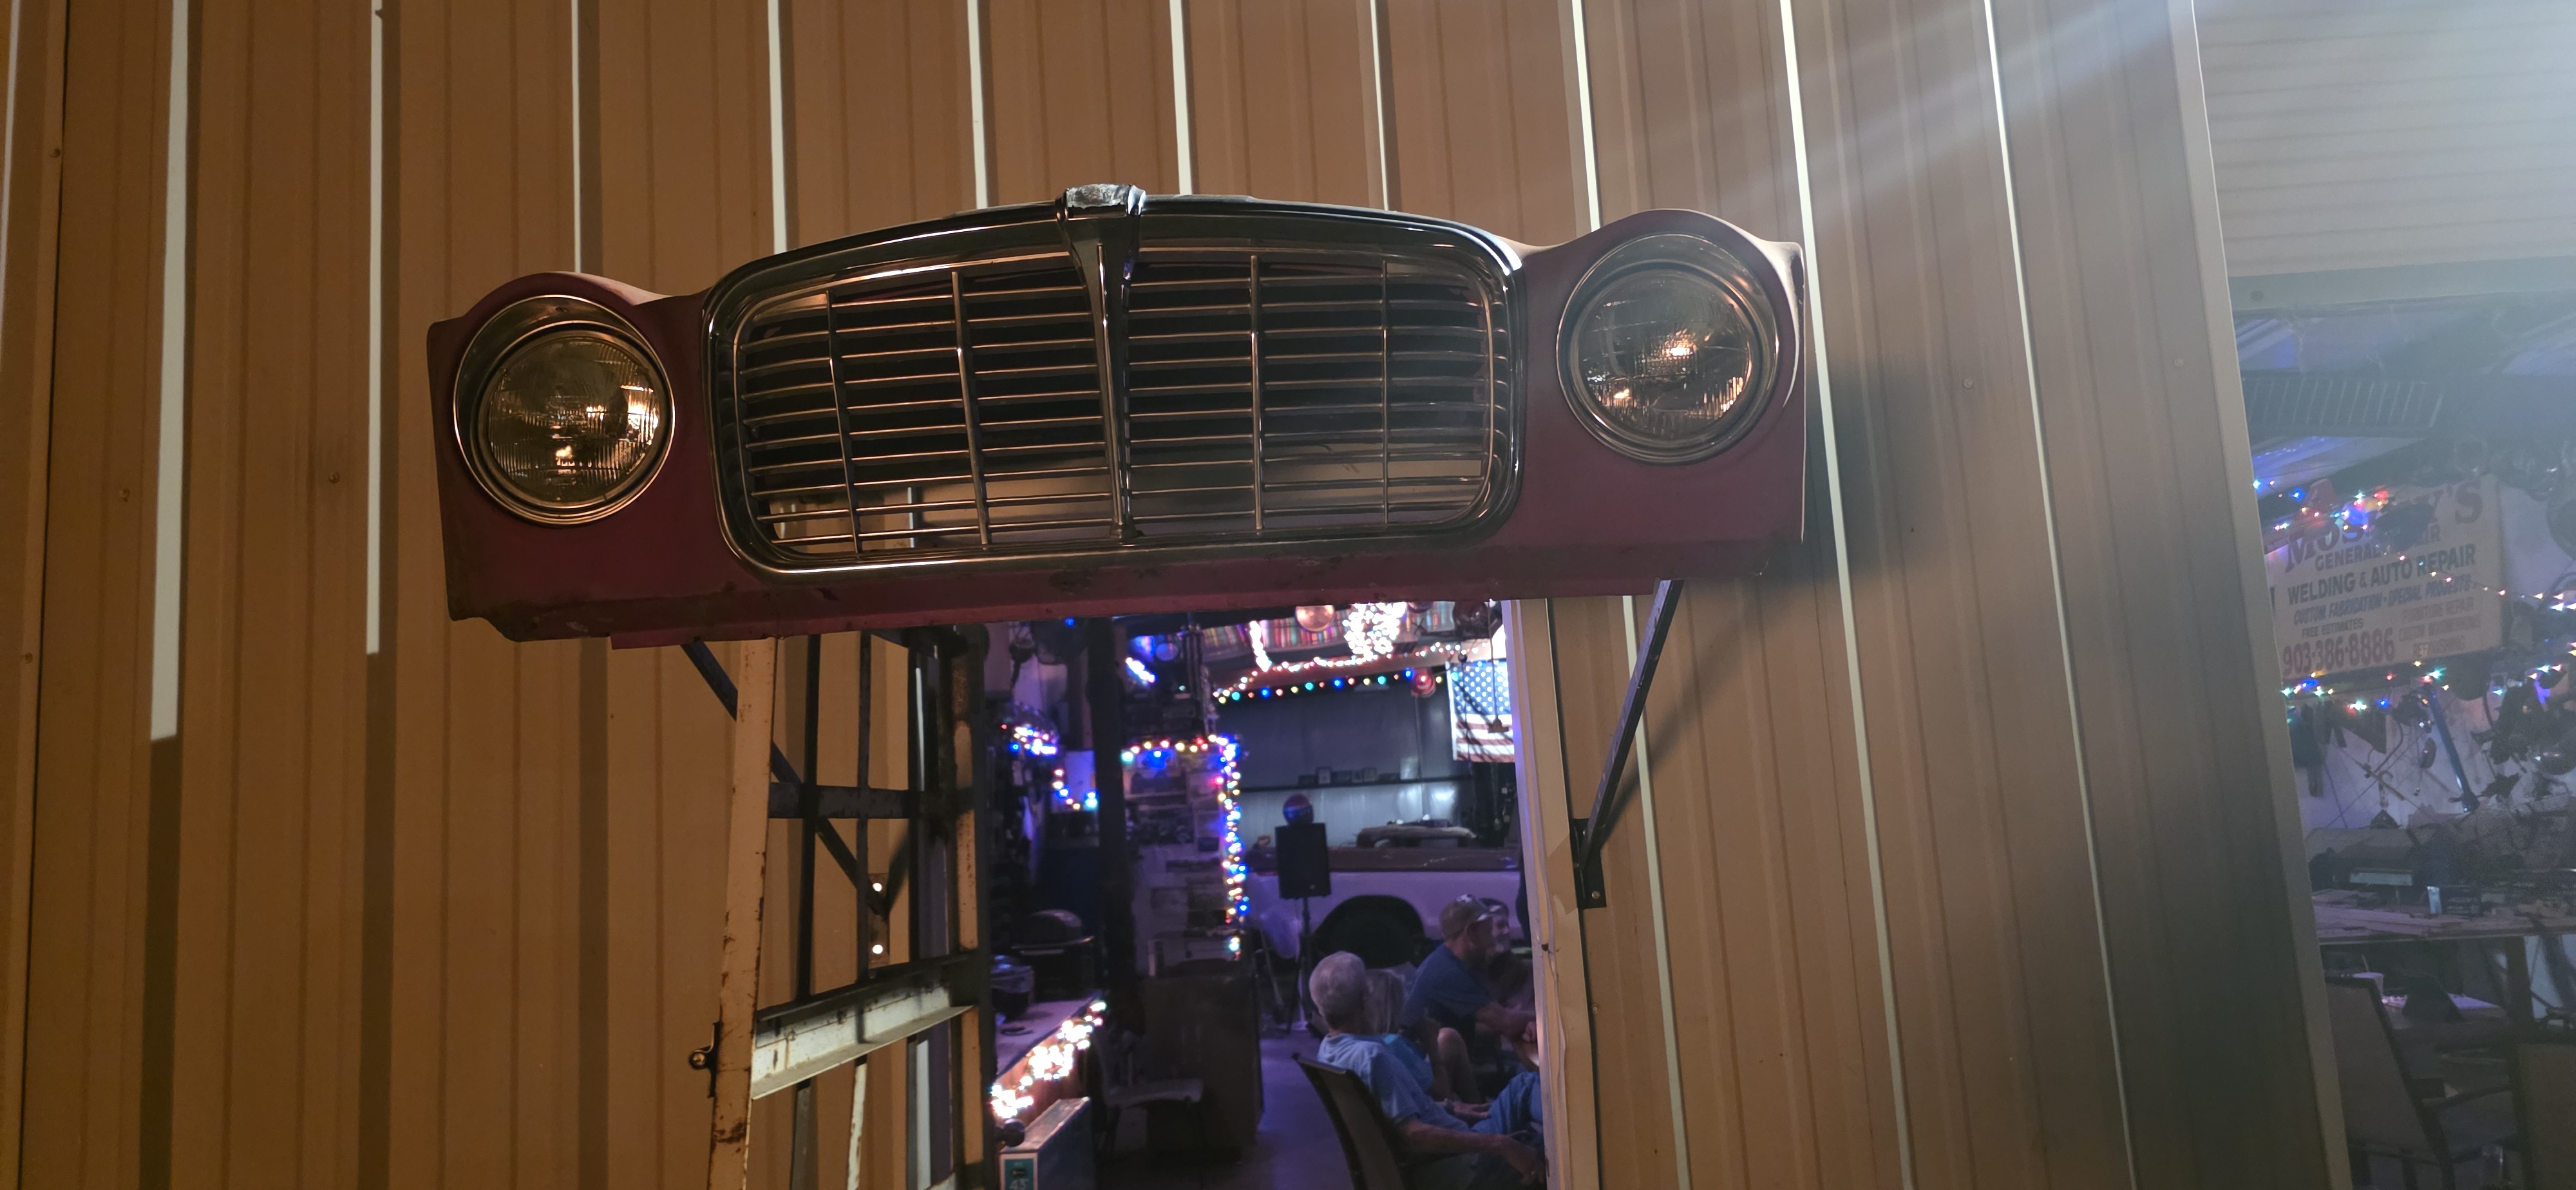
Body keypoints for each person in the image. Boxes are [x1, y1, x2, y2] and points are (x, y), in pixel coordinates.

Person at [1311, 952, 1546, 1189]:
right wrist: (1499, 1144)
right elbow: (1415, 1135)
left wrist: (1451, 1107)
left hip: (1446, 1151)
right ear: (1363, 1000)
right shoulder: (1372, 1057)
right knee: (1548, 1138)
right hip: (1460, 1165)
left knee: (1523, 1086)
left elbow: (1389, 1114)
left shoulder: (1330, 1051)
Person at [1403, 895, 1535, 1097]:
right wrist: (1539, 1017)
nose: (1493, 939)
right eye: (1488, 931)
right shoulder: (1448, 972)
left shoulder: (1452, 962)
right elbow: (1505, 1022)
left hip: (1442, 1067)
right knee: (1527, 1079)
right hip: (1429, 1081)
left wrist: (1524, 1024)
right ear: (1472, 932)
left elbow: (1489, 1024)